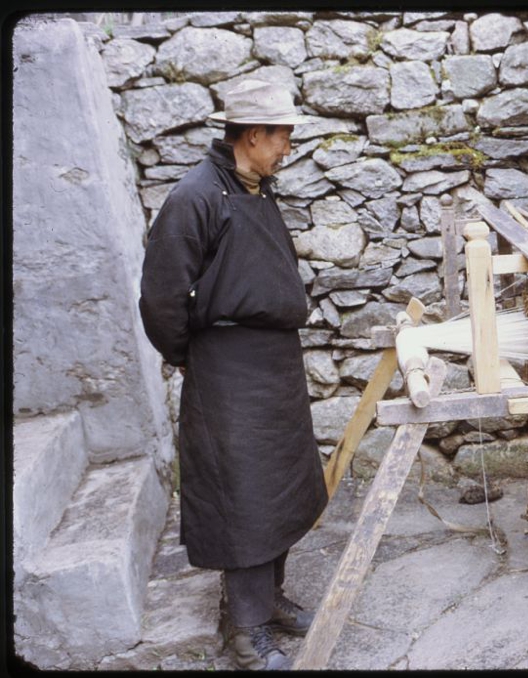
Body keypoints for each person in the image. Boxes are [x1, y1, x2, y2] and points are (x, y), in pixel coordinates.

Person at [139, 79, 327, 670]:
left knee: (281, 488)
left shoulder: (257, 189)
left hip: (274, 367)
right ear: (252, 135)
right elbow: (162, 300)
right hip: (227, 372)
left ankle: (267, 602)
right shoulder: (195, 197)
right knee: (244, 495)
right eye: (282, 137)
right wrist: (195, 357)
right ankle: (246, 631)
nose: (287, 149)